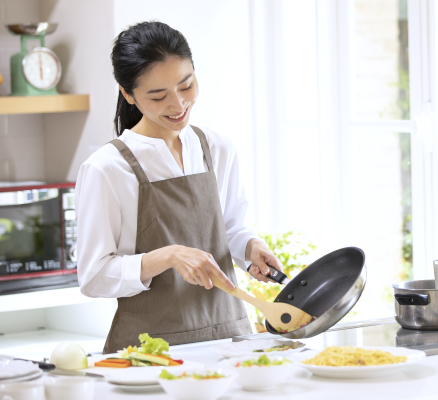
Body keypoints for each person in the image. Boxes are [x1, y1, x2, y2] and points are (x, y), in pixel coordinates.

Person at [75, 21, 283, 353]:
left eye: (186, 86)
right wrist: (168, 256)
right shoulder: (107, 168)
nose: (178, 105)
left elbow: (230, 228)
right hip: (149, 354)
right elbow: (93, 276)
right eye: (158, 96)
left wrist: (250, 248)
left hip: (228, 338)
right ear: (128, 94)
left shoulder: (216, 148)